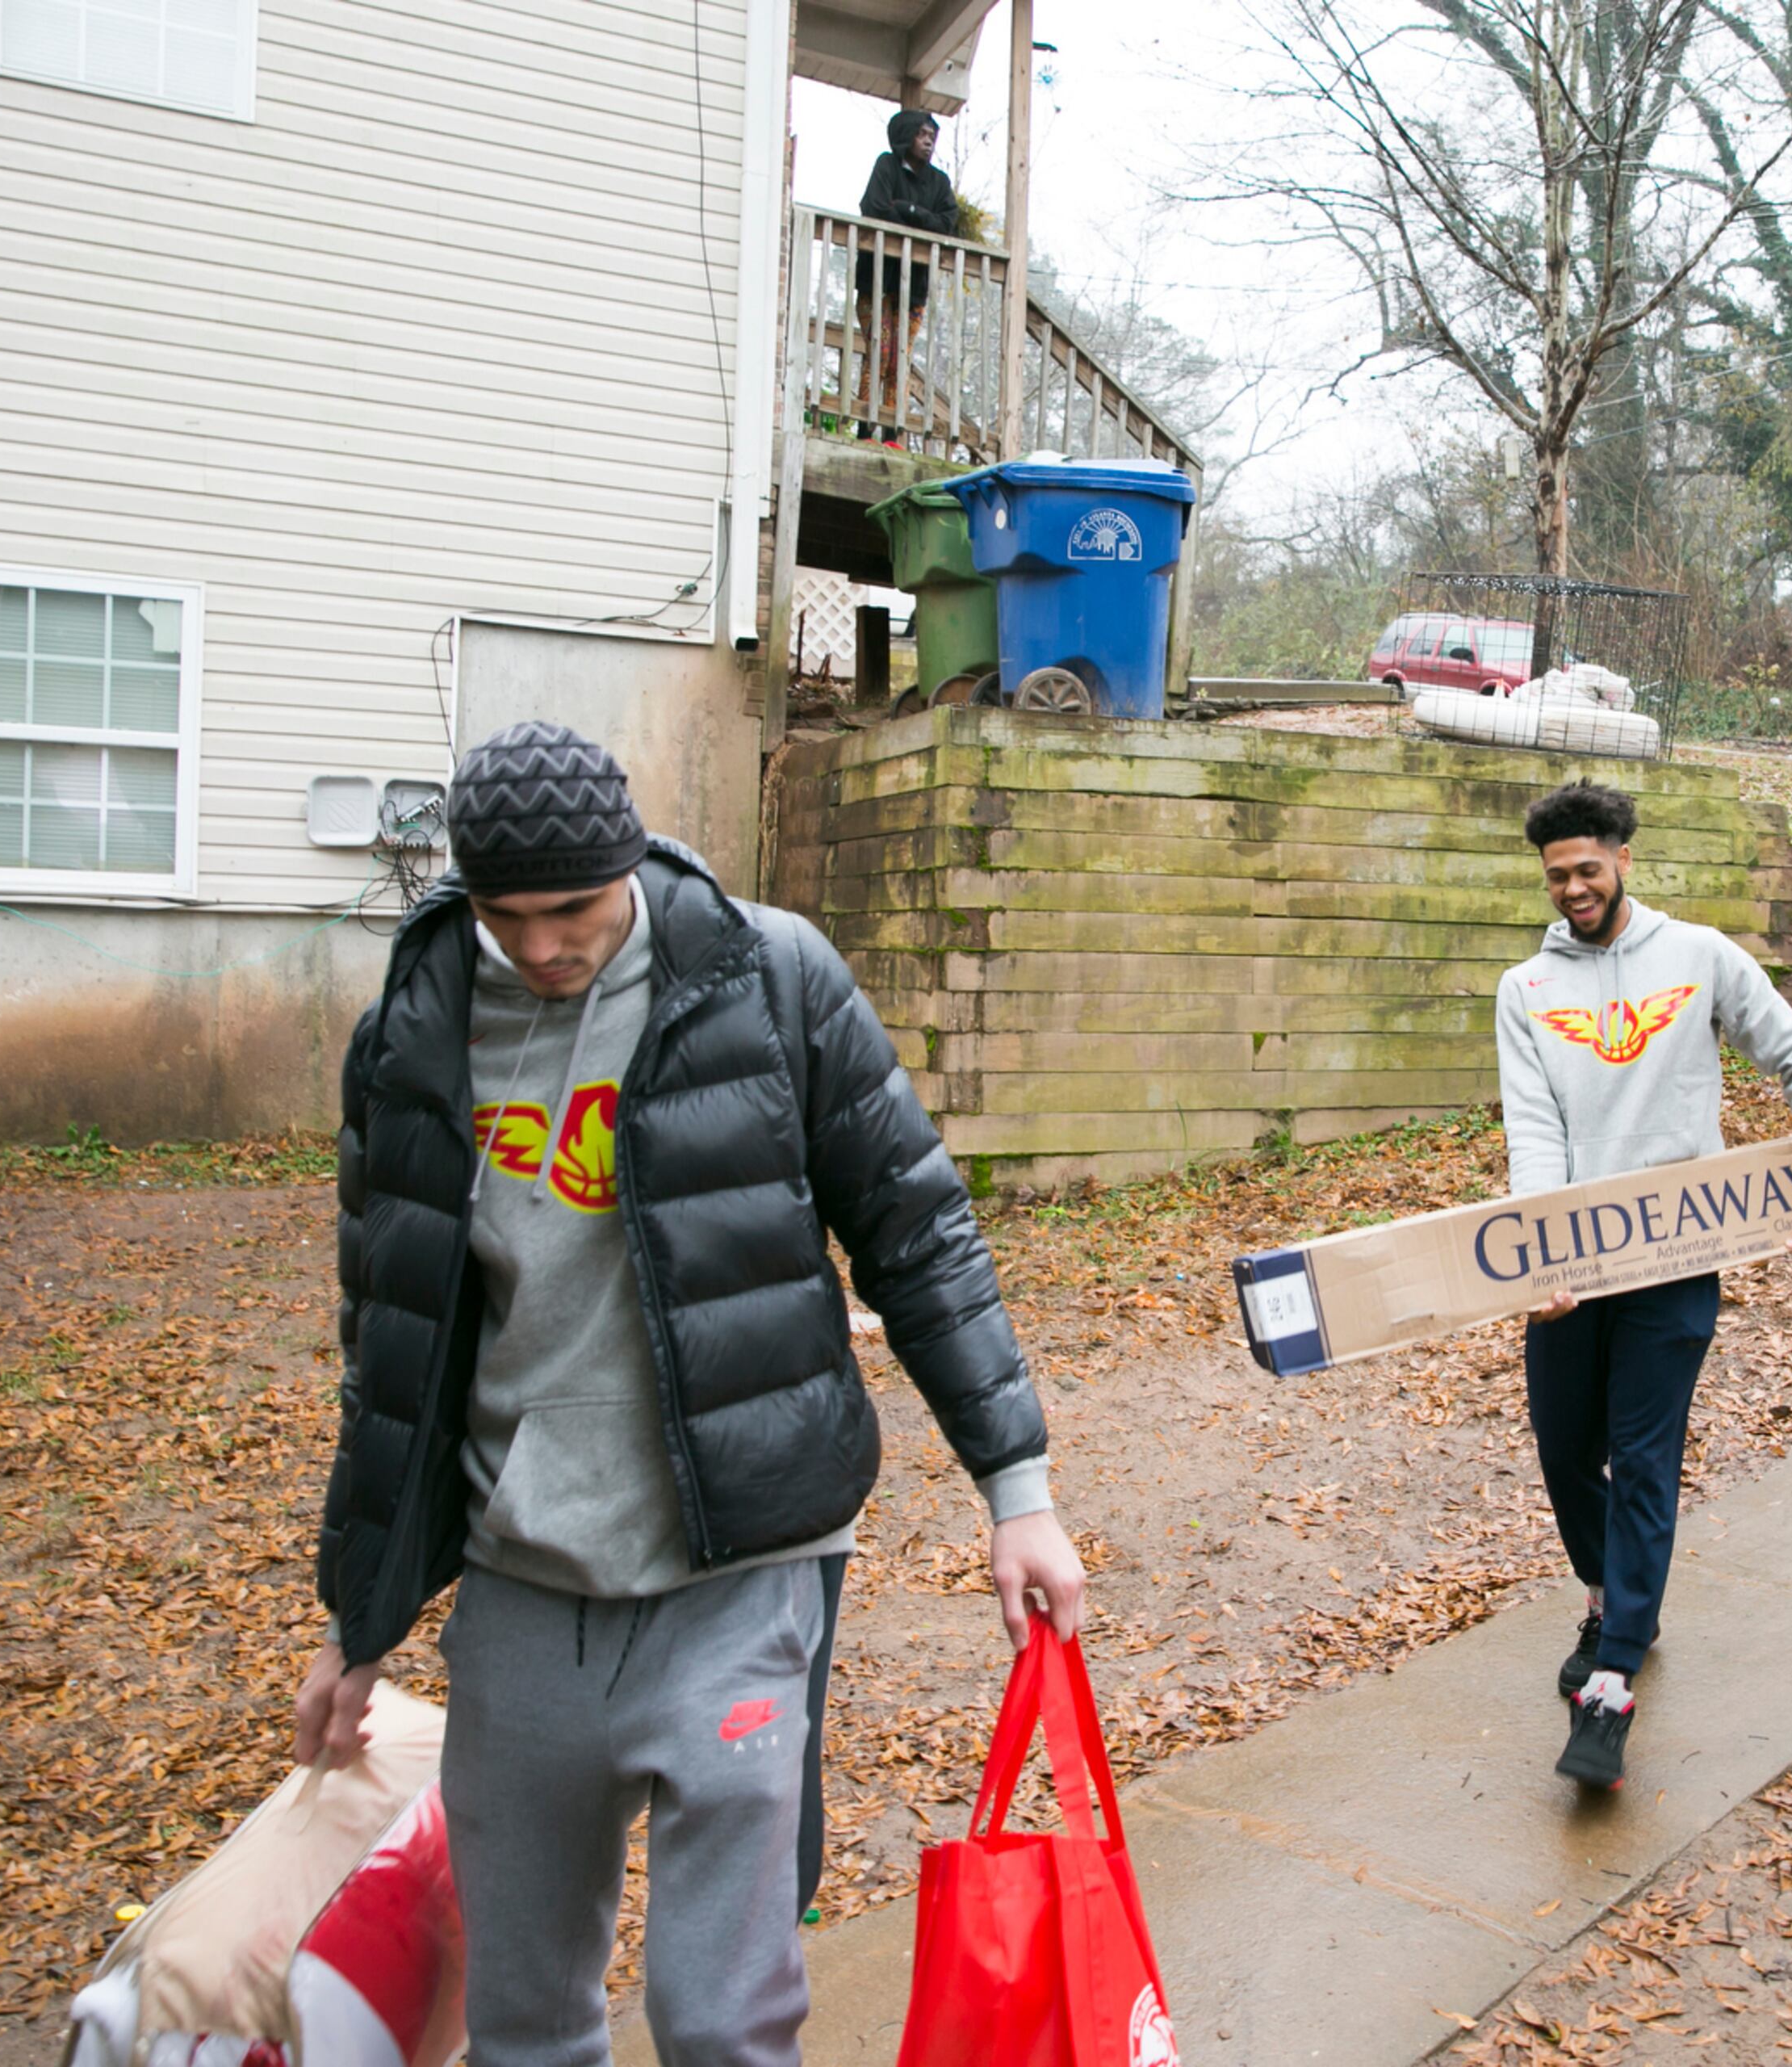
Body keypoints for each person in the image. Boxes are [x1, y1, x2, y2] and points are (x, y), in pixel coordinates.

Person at [291, 722, 1083, 2067]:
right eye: (506, 916)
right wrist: (357, 1624)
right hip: (525, 1584)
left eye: (575, 911)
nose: (542, 947)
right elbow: (395, 1352)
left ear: (635, 869)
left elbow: (919, 1232)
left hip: (745, 1567)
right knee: (525, 2020)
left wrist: (1019, 1494)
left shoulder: (763, 980)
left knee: (724, 2021)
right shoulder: (415, 1039)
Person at [1496, 781, 1792, 1791]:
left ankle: (1611, 1685)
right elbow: (1533, 1130)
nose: (1572, 887)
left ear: (1621, 858)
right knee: (1568, 1448)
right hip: (1575, 1260)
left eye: (1586, 868)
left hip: (1673, 1260)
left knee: (1644, 1457)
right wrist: (1541, 1251)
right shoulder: (1525, 989)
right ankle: (1612, 1596)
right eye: (1556, 875)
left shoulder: (1699, 958)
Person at [854, 109, 957, 438]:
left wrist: (907, 209)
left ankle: (891, 435)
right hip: (878, 280)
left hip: (913, 288)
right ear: (907, 134)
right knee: (879, 352)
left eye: (932, 136)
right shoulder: (886, 165)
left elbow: (947, 223)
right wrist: (917, 217)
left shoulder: (938, 182)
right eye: (922, 134)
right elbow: (875, 207)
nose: (928, 142)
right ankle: (866, 430)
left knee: (900, 358)